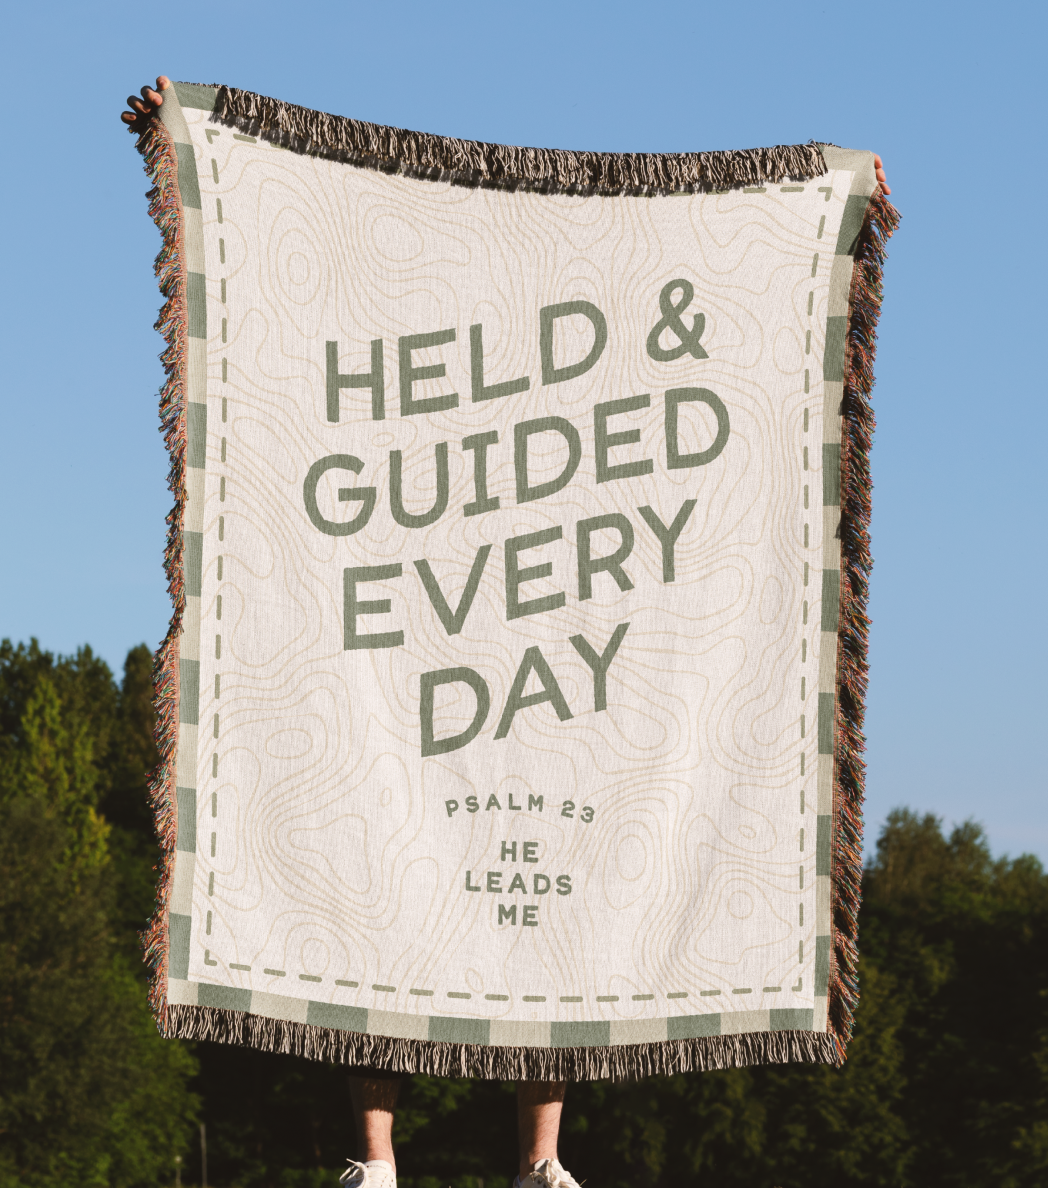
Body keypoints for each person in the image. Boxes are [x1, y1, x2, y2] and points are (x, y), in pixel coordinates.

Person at [121, 77, 890, 1188]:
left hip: (542, 637)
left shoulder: (582, 334)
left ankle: (542, 1159)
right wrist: (183, 123)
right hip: (424, 635)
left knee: (549, 904)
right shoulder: (418, 310)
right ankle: (375, 1159)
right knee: (378, 887)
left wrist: (837, 204)